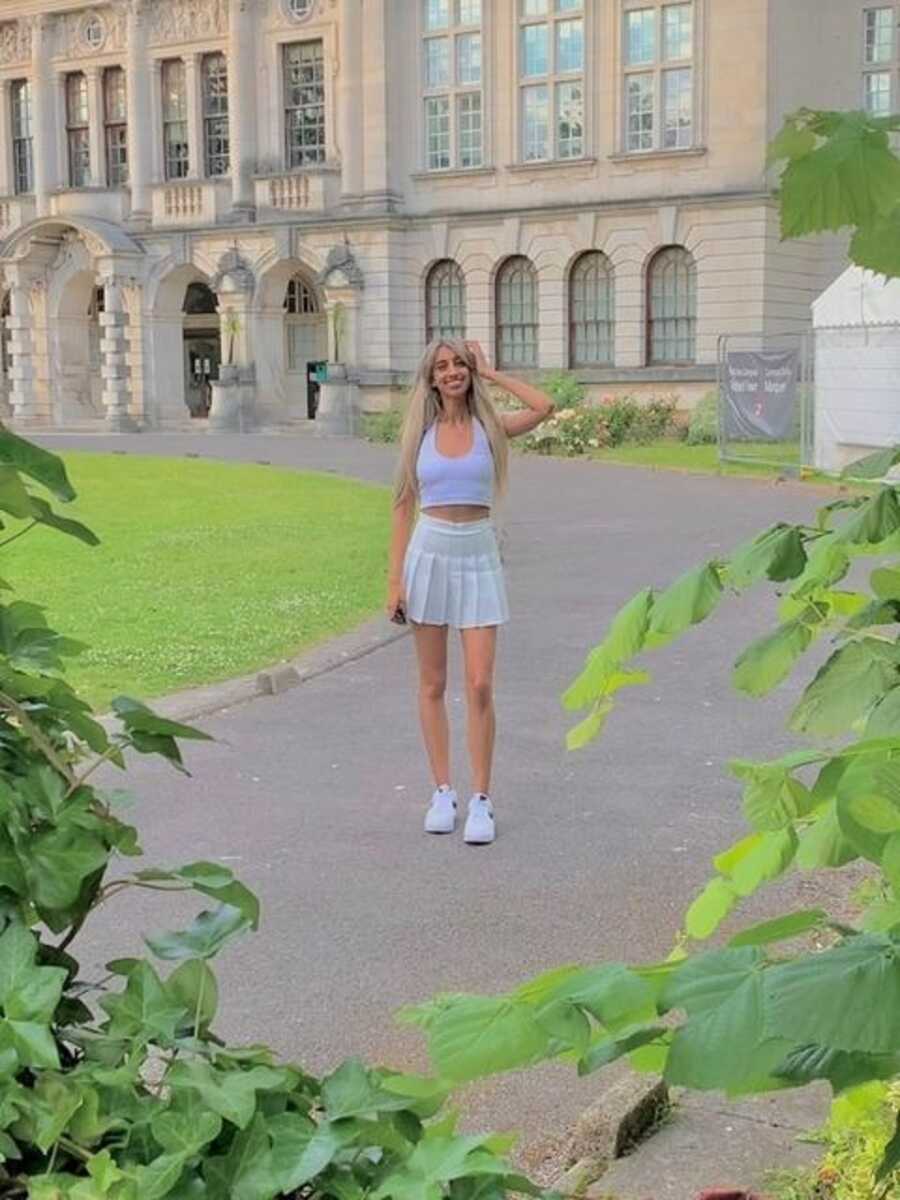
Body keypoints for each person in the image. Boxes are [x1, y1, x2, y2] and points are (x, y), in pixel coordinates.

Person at [386, 338, 554, 844]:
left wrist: (492, 372)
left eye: (459, 363)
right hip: (429, 551)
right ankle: (443, 790)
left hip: (478, 552)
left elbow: (544, 407)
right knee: (433, 683)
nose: (452, 372)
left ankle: (480, 797)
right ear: (432, 379)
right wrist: (395, 580)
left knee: (480, 683)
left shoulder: (490, 428)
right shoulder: (420, 435)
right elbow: (401, 506)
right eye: (443, 366)